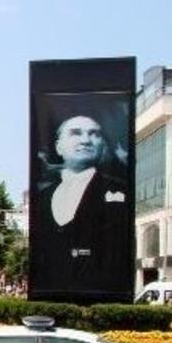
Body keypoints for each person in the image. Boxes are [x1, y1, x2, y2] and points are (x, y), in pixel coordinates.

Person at [32, 114, 131, 297]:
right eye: (76, 133)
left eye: (94, 134)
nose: (86, 140)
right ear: (58, 147)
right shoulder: (42, 198)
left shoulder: (120, 191)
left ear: (102, 145)